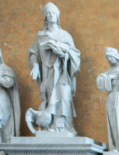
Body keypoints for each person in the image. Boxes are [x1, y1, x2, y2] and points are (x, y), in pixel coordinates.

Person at [27, 2, 81, 133]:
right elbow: (33, 53)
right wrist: (35, 65)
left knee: (64, 96)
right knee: (50, 96)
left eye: (53, 13)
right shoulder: (41, 37)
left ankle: (65, 126)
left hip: (62, 73)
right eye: (48, 13)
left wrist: (62, 53)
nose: (51, 15)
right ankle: (50, 126)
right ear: (45, 17)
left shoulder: (65, 35)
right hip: (47, 73)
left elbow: (75, 55)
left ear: (58, 16)